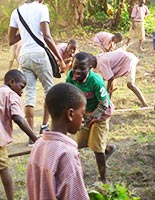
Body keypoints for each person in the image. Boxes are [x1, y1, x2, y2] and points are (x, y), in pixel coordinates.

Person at [8, 0, 66, 143]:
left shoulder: (17, 12)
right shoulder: (42, 8)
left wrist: (25, 31)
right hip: (39, 54)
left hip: (23, 56)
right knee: (50, 91)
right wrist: (59, 58)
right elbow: (46, 36)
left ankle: (31, 138)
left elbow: (11, 40)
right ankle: (45, 126)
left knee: (29, 95)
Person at [26, 83, 89, 199]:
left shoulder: (38, 144)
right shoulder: (67, 154)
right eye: (82, 113)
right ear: (70, 114)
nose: (83, 119)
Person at [66, 52, 116, 183]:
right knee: (81, 143)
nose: (77, 71)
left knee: (97, 149)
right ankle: (108, 148)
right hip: (86, 113)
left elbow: (104, 104)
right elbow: (69, 95)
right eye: (75, 67)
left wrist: (91, 118)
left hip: (101, 114)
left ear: (90, 68)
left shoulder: (95, 81)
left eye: (82, 68)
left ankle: (103, 179)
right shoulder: (70, 77)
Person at [0, 70, 38, 200]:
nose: (22, 92)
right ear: (11, 82)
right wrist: (35, 139)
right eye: (21, 87)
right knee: (4, 169)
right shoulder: (11, 94)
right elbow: (19, 118)